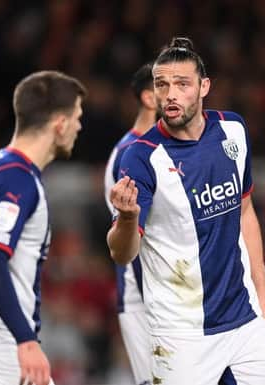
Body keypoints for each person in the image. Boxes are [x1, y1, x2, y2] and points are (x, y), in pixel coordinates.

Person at [107, 37, 265, 385]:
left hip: (244, 321)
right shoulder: (141, 157)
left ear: (204, 87)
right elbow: (121, 252)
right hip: (179, 334)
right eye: (162, 85)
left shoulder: (233, 130)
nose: (170, 94)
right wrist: (127, 218)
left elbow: (245, 211)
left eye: (182, 84)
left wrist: (263, 295)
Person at [0, 70, 86, 385]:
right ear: (59, 123)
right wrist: (26, 339)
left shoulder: (0, 166)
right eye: (77, 117)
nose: (79, 126)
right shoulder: (17, 177)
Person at [103, 63, 157, 385]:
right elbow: (131, 238)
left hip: (167, 295)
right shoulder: (130, 153)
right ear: (149, 97)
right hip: (144, 297)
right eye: (167, 88)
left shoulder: (155, 148)